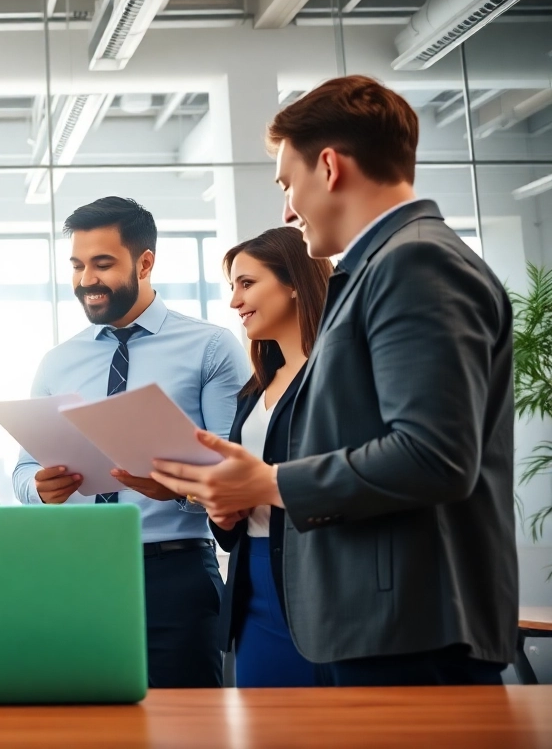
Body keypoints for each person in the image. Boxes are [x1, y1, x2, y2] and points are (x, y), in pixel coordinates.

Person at [151, 75, 518, 686]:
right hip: (384, 622)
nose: (287, 209)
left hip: (410, 629)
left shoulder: (415, 261)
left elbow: (434, 456)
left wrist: (268, 482)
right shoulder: (385, 265)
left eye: (287, 184)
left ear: (329, 167)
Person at [12, 196, 248, 688]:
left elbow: (236, 474)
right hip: (75, 572)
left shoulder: (209, 348)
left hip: (174, 574)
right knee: (82, 720)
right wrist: (40, 488)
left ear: (145, 263)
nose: (86, 280)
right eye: (77, 265)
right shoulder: (57, 362)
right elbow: (23, 470)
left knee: (186, 721)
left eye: (102, 264)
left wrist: (178, 490)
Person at [211, 227, 331, 688]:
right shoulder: (255, 389)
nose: (235, 301)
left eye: (247, 283)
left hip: (318, 578)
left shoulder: (334, 375)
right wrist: (223, 514)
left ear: (294, 283)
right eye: (233, 287)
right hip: (253, 581)